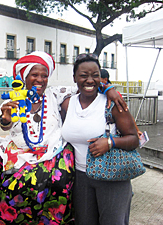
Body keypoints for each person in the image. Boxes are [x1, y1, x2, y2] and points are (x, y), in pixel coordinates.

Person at [0, 51, 126, 225]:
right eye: (34, 75)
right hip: (20, 156)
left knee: (56, 197)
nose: (40, 79)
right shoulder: (14, 100)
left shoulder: (54, 94)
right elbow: (6, 124)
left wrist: (110, 89)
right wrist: (5, 119)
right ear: (24, 76)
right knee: (12, 191)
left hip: (52, 155)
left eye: (44, 75)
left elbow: (87, 84)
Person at [61, 53, 139, 225]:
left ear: (101, 79)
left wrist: (110, 142)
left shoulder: (112, 104)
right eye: (83, 75)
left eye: (95, 75)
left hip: (112, 176)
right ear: (74, 78)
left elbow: (134, 139)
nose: (90, 80)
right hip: (81, 177)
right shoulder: (68, 103)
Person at [101, 68, 143, 138]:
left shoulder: (115, 95)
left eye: (97, 77)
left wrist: (136, 130)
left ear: (105, 80)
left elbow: (126, 111)